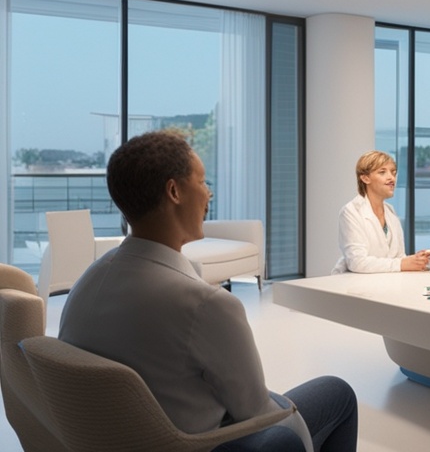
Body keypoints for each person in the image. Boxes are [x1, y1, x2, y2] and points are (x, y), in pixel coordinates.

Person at [59, 131, 357, 452]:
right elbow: (257, 413)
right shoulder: (206, 305)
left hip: (117, 438)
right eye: (202, 183)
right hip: (195, 443)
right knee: (337, 395)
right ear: (174, 191)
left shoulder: (89, 279)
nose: (208, 195)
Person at [332, 150, 430, 274]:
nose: (391, 178)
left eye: (393, 172)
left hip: (386, 281)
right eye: (382, 172)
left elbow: (399, 256)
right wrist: (402, 263)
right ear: (365, 178)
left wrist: (415, 261)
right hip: (355, 284)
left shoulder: (390, 211)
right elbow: (357, 262)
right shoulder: (351, 212)